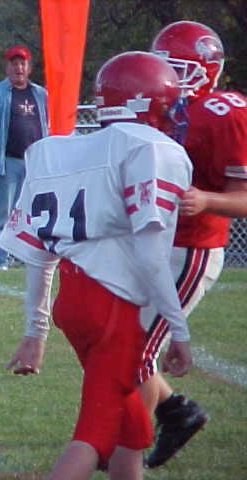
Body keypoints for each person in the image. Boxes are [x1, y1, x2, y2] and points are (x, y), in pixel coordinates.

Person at [0, 51, 194, 480]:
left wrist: (35, 331)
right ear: (147, 103)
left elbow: (39, 253)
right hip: (113, 310)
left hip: (73, 302)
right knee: (93, 436)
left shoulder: (59, 150)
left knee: (132, 428)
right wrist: (178, 330)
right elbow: (152, 256)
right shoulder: (147, 147)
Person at [139, 20, 247, 468]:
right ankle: (175, 412)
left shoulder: (225, 112)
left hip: (190, 248)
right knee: (113, 341)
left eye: (177, 68)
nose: (166, 76)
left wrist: (206, 200)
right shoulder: (163, 109)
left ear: (207, 69)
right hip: (149, 242)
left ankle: (122, 441)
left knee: (132, 351)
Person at [0, 44, 48, 270]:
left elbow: (51, 126)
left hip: (36, 164)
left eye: (22, 64)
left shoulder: (41, 95)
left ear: (29, 67)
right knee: (3, 216)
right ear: (7, 67)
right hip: (6, 163)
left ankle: (30, 259)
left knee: (34, 215)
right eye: (14, 64)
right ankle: (0, 261)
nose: (19, 68)